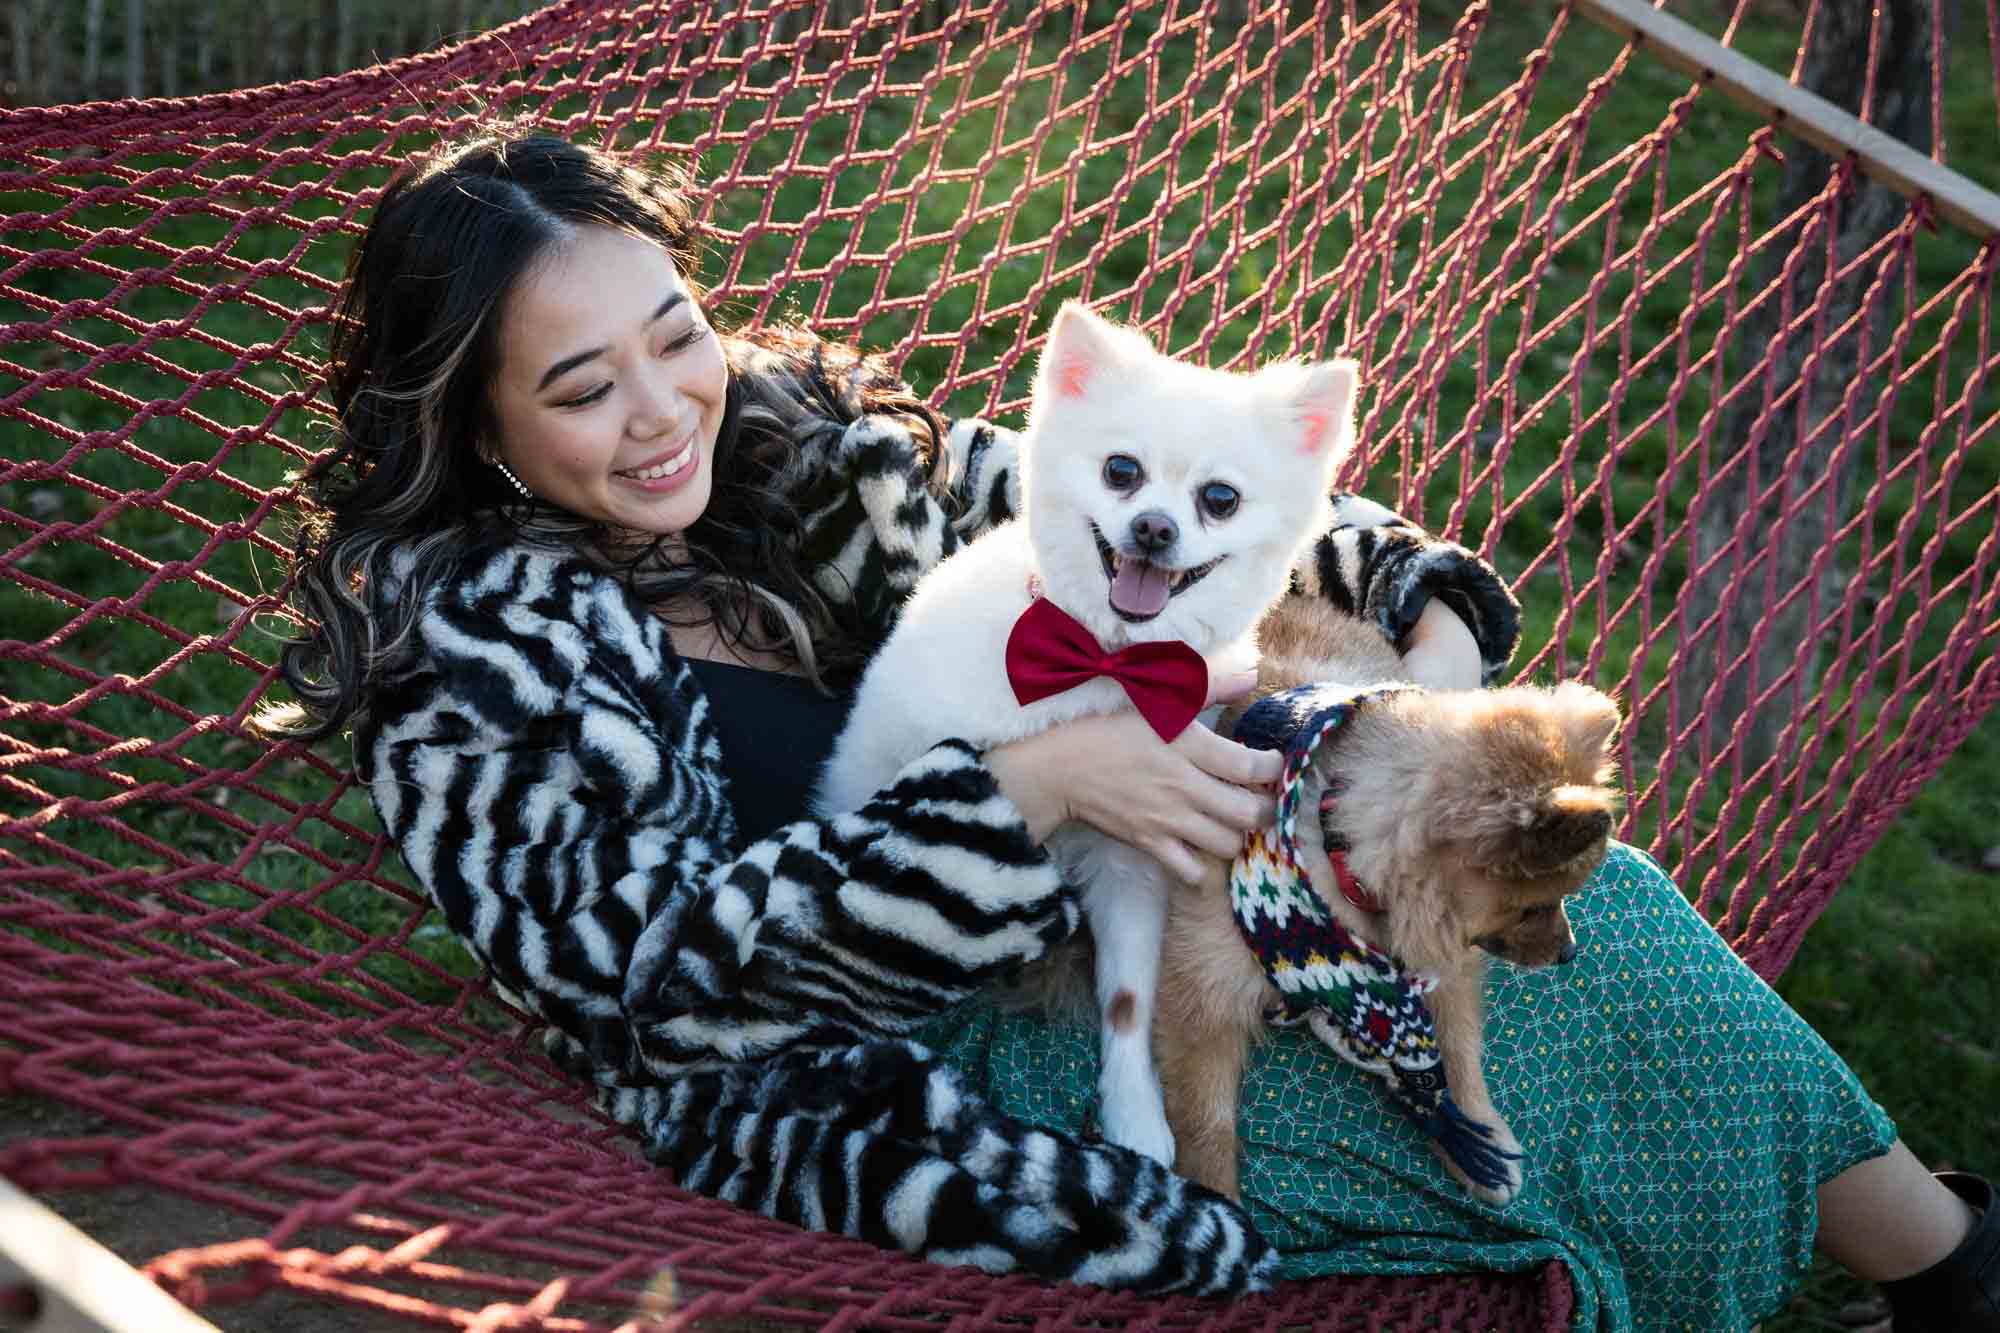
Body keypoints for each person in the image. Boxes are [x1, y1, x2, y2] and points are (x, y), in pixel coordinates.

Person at [259, 126, 1995, 1330]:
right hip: (904, 1073)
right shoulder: (470, 668)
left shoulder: (797, 461)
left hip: (1153, 921)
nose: (662, 412)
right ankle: (1940, 1268)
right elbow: (645, 976)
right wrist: (1026, 791)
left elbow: (1163, 486)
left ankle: (1940, 1271)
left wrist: (1423, 603)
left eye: (676, 334)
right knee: (1521, 1005)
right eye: (582, 389)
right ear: (475, 428)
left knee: (1554, 897)